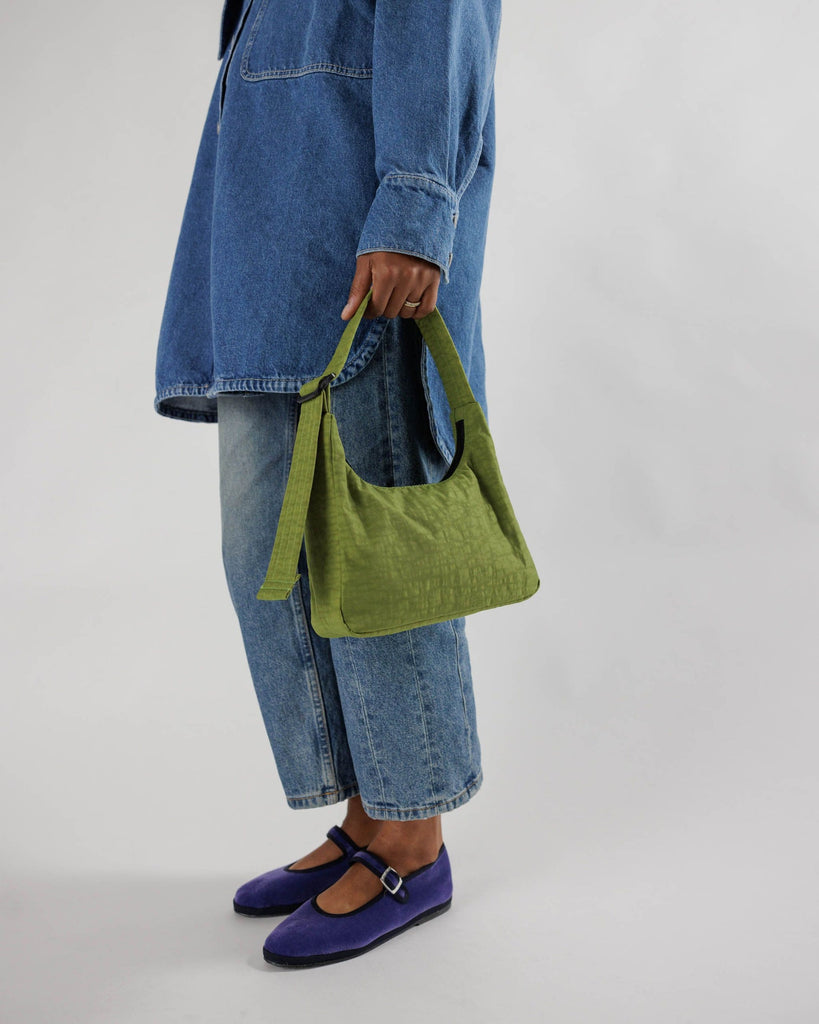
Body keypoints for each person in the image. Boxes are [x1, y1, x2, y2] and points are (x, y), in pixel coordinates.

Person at [154, 0, 502, 967]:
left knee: (372, 551)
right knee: (270, 547)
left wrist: (414, 206)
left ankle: (412, 844)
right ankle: (366, 814)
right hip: (269, 245)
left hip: (358, 239)